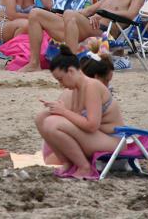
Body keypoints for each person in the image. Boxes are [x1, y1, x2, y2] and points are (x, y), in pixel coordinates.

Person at [22, 0, 144, 71]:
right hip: (86, 27)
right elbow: (87, 11)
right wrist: (62, 15)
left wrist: (103, 14)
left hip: (105, 33)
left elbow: (131, 14)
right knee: (35, 13)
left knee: (70, 14)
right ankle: (34, 63)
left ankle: (71, 64)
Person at [35, 46, 123, 180]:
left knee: (53, 123)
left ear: (70, 71)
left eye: (60, 79)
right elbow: (76, 121)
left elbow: (92, 125)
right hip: (96, 137)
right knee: (41, 118)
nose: (61, 84)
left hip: (112, 141)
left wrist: (63, 112)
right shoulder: (77, 89)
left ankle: (84, 167)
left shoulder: (91, 86)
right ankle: (68, 162)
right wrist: (59, 109)